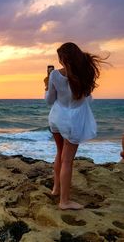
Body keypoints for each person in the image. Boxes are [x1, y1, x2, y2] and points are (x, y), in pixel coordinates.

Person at [44, 42, 108, 210]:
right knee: (67, 161)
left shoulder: (55, 76)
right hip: (73, 121)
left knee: (59, 154)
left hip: (57, 118)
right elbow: (87, 98)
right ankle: (64, 202)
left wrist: (46, 86)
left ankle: (56, 190)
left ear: (63, 59)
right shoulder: (85, 74)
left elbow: (50, 100)